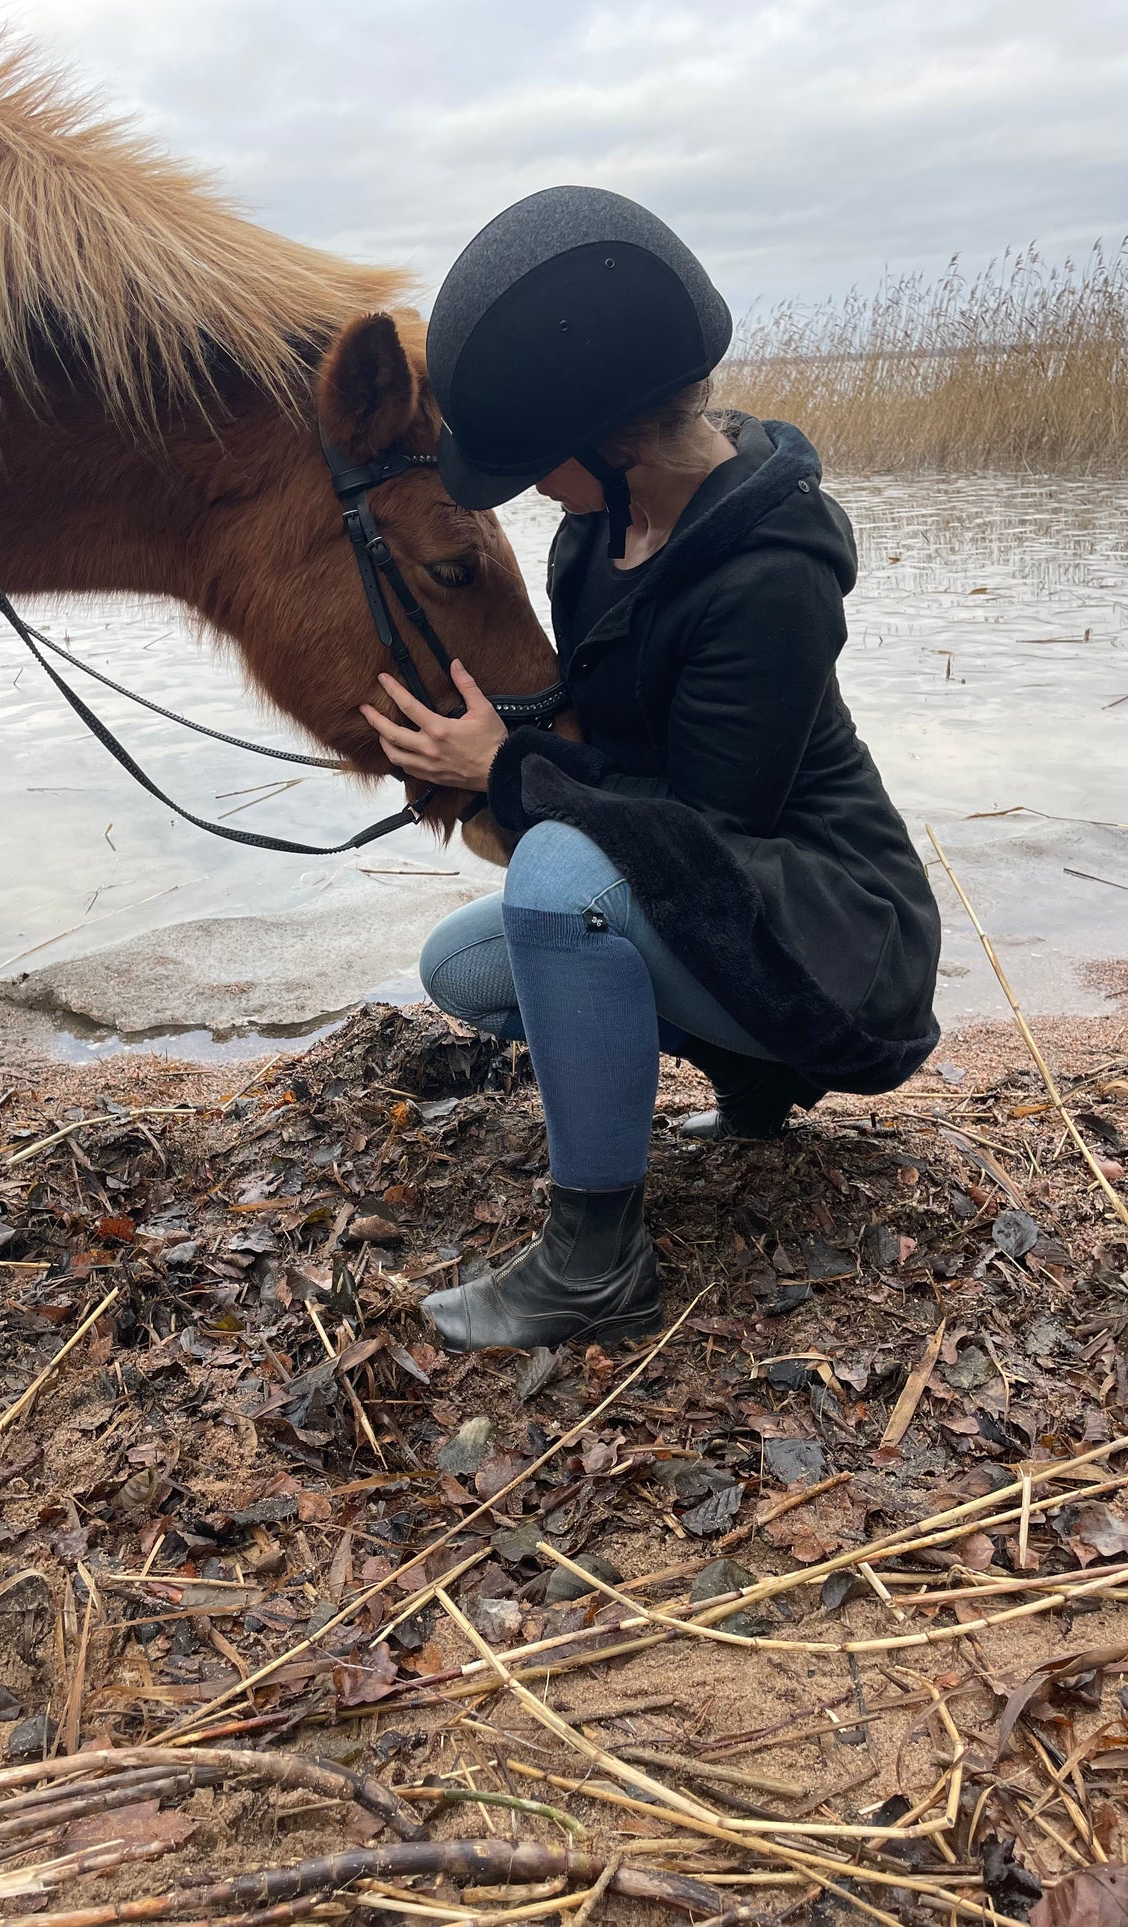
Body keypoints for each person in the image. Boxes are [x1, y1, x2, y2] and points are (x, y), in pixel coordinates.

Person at [359, 186, 941, 1354]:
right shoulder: (594, 538)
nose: (525, 489)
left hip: (839, 935)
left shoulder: (769, 579)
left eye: (537, 460)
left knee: (560, 881)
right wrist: (465, 752)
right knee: (464, 970)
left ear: (614, 438)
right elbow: (615, 759)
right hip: (737, 907)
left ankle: (592, 1261)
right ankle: (751, 1086)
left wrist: (509, 770)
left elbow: (697, 837)